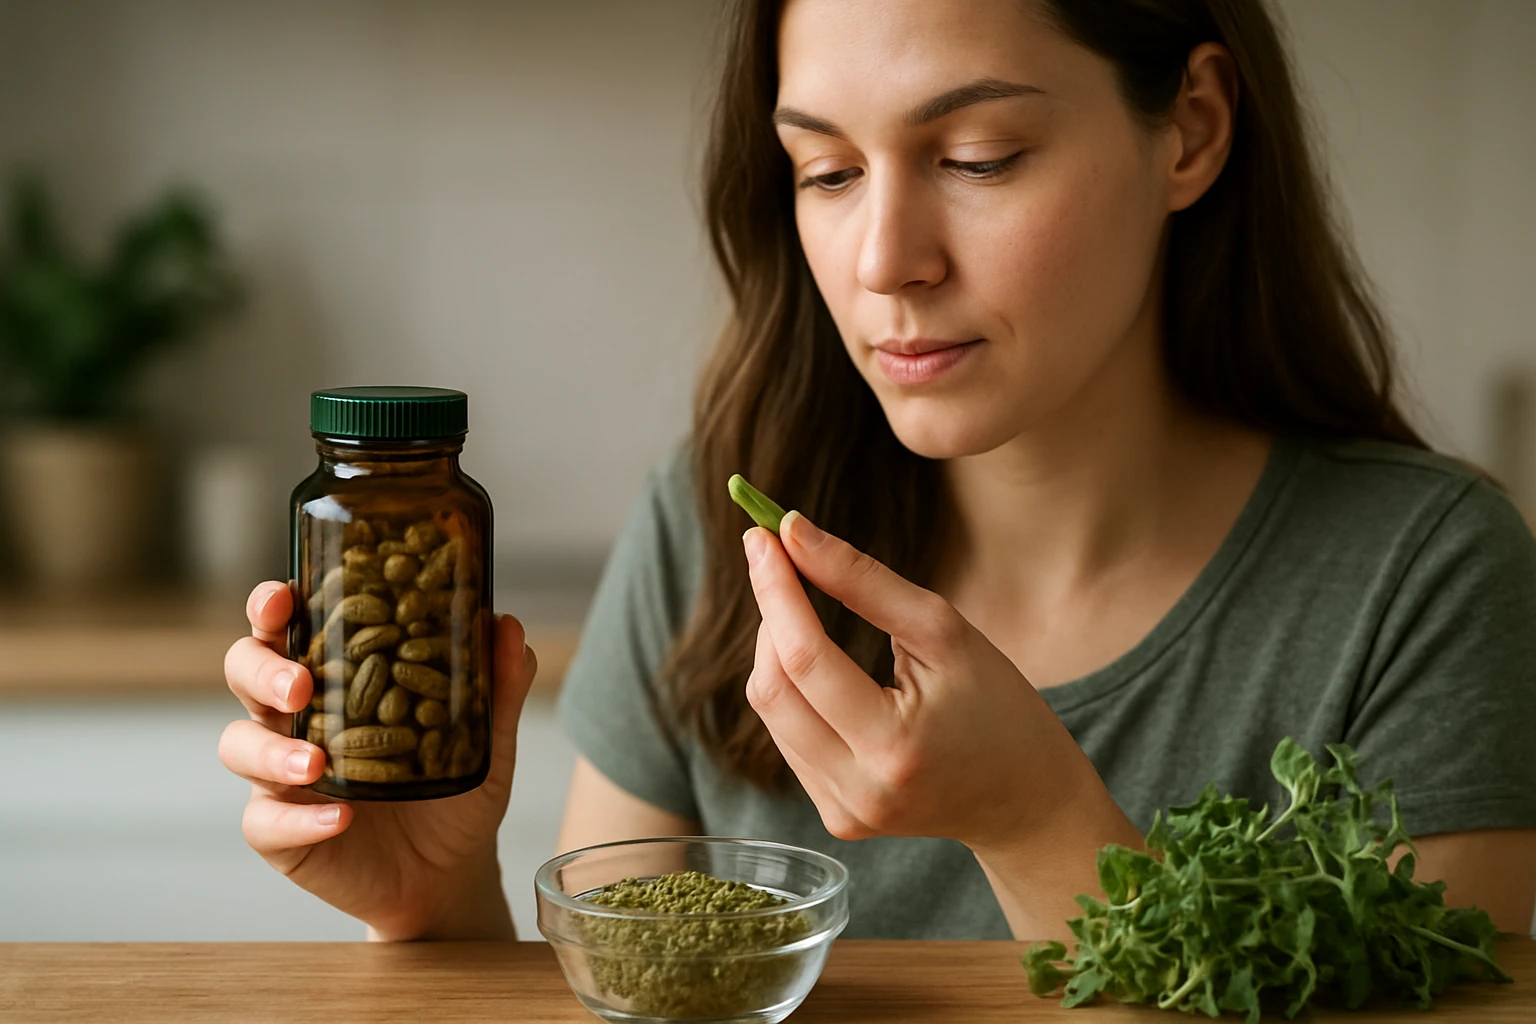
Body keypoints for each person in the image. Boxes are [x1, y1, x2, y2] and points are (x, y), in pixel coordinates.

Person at [219, 0, 1536, 943]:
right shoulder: (706, 526)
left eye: (978, 158)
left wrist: (1032, 821)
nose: (882, 258)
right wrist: (437, 903)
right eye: (827, 170)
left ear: (1188, 130)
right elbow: (631, 980)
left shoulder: (1427, 580)